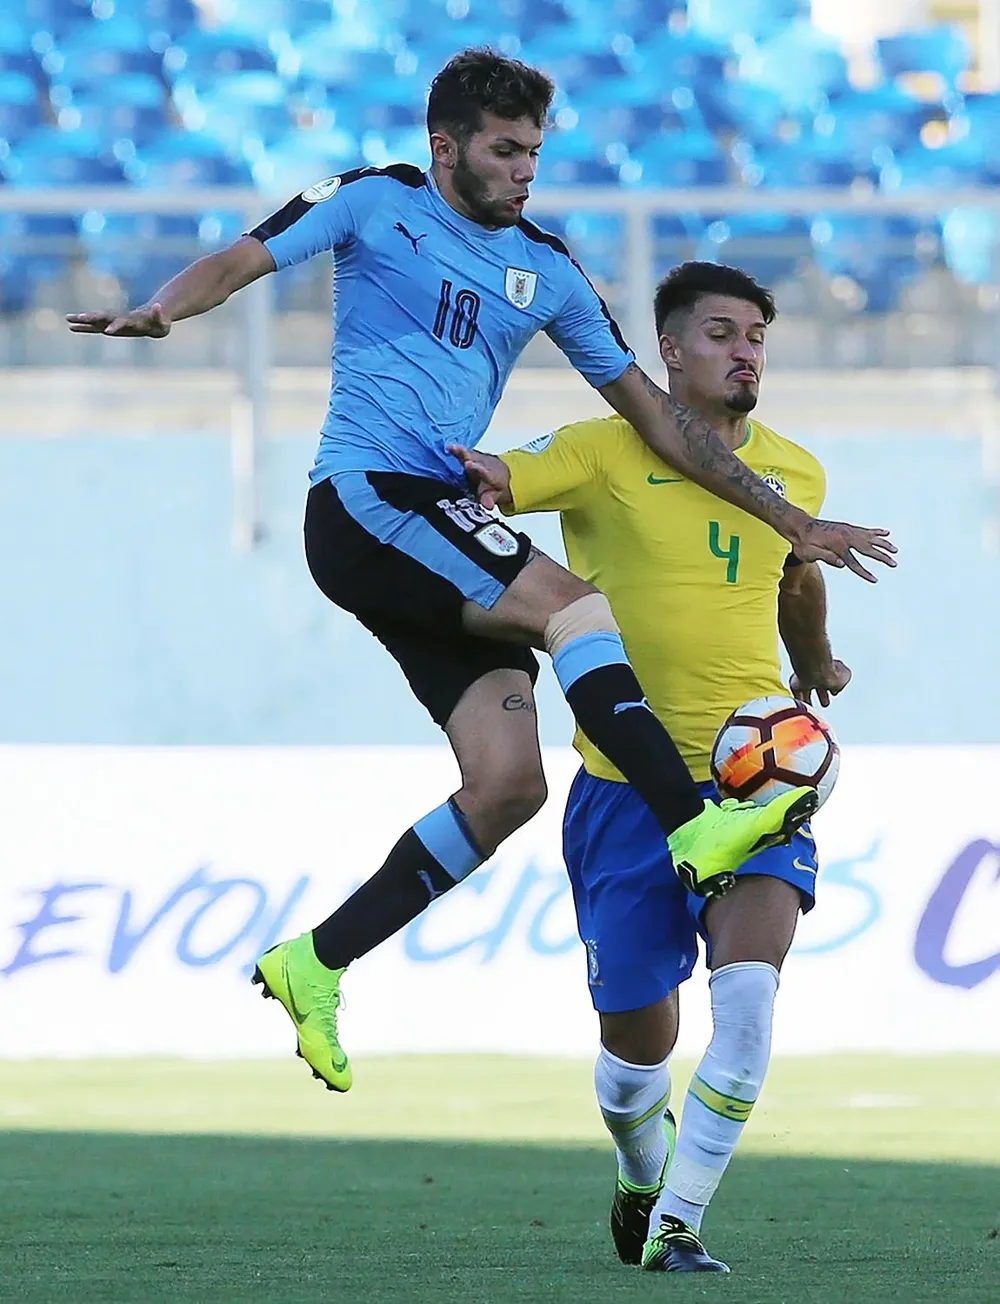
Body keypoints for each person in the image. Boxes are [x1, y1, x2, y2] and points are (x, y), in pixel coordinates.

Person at [66, 51, 893, 1096]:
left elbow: (664, 425)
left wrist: (788, 518)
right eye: (505, 150)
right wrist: (163, 309)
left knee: (508, 784)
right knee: (577, 607)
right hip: (374, 495)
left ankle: (313, 961)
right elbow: (245, 256)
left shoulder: (547, 270)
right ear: (445, 146)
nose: (523, 170)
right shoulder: (374, 203)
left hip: (436, 520)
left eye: (534, 152)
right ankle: (692, 821)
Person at [458, 261, 857, 1273]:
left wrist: (809, 657)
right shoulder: (598, 448)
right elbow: (494, 480)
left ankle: (678, 1220)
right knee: (634, 1056)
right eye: (720, 332)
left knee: (750, 1000)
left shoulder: (795, 471)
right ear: (667, 350)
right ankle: (642, 1174)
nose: (744, 351)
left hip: (754, 784)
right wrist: (439, 477)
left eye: (756, 336)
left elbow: (792, 571)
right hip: (626, 794)